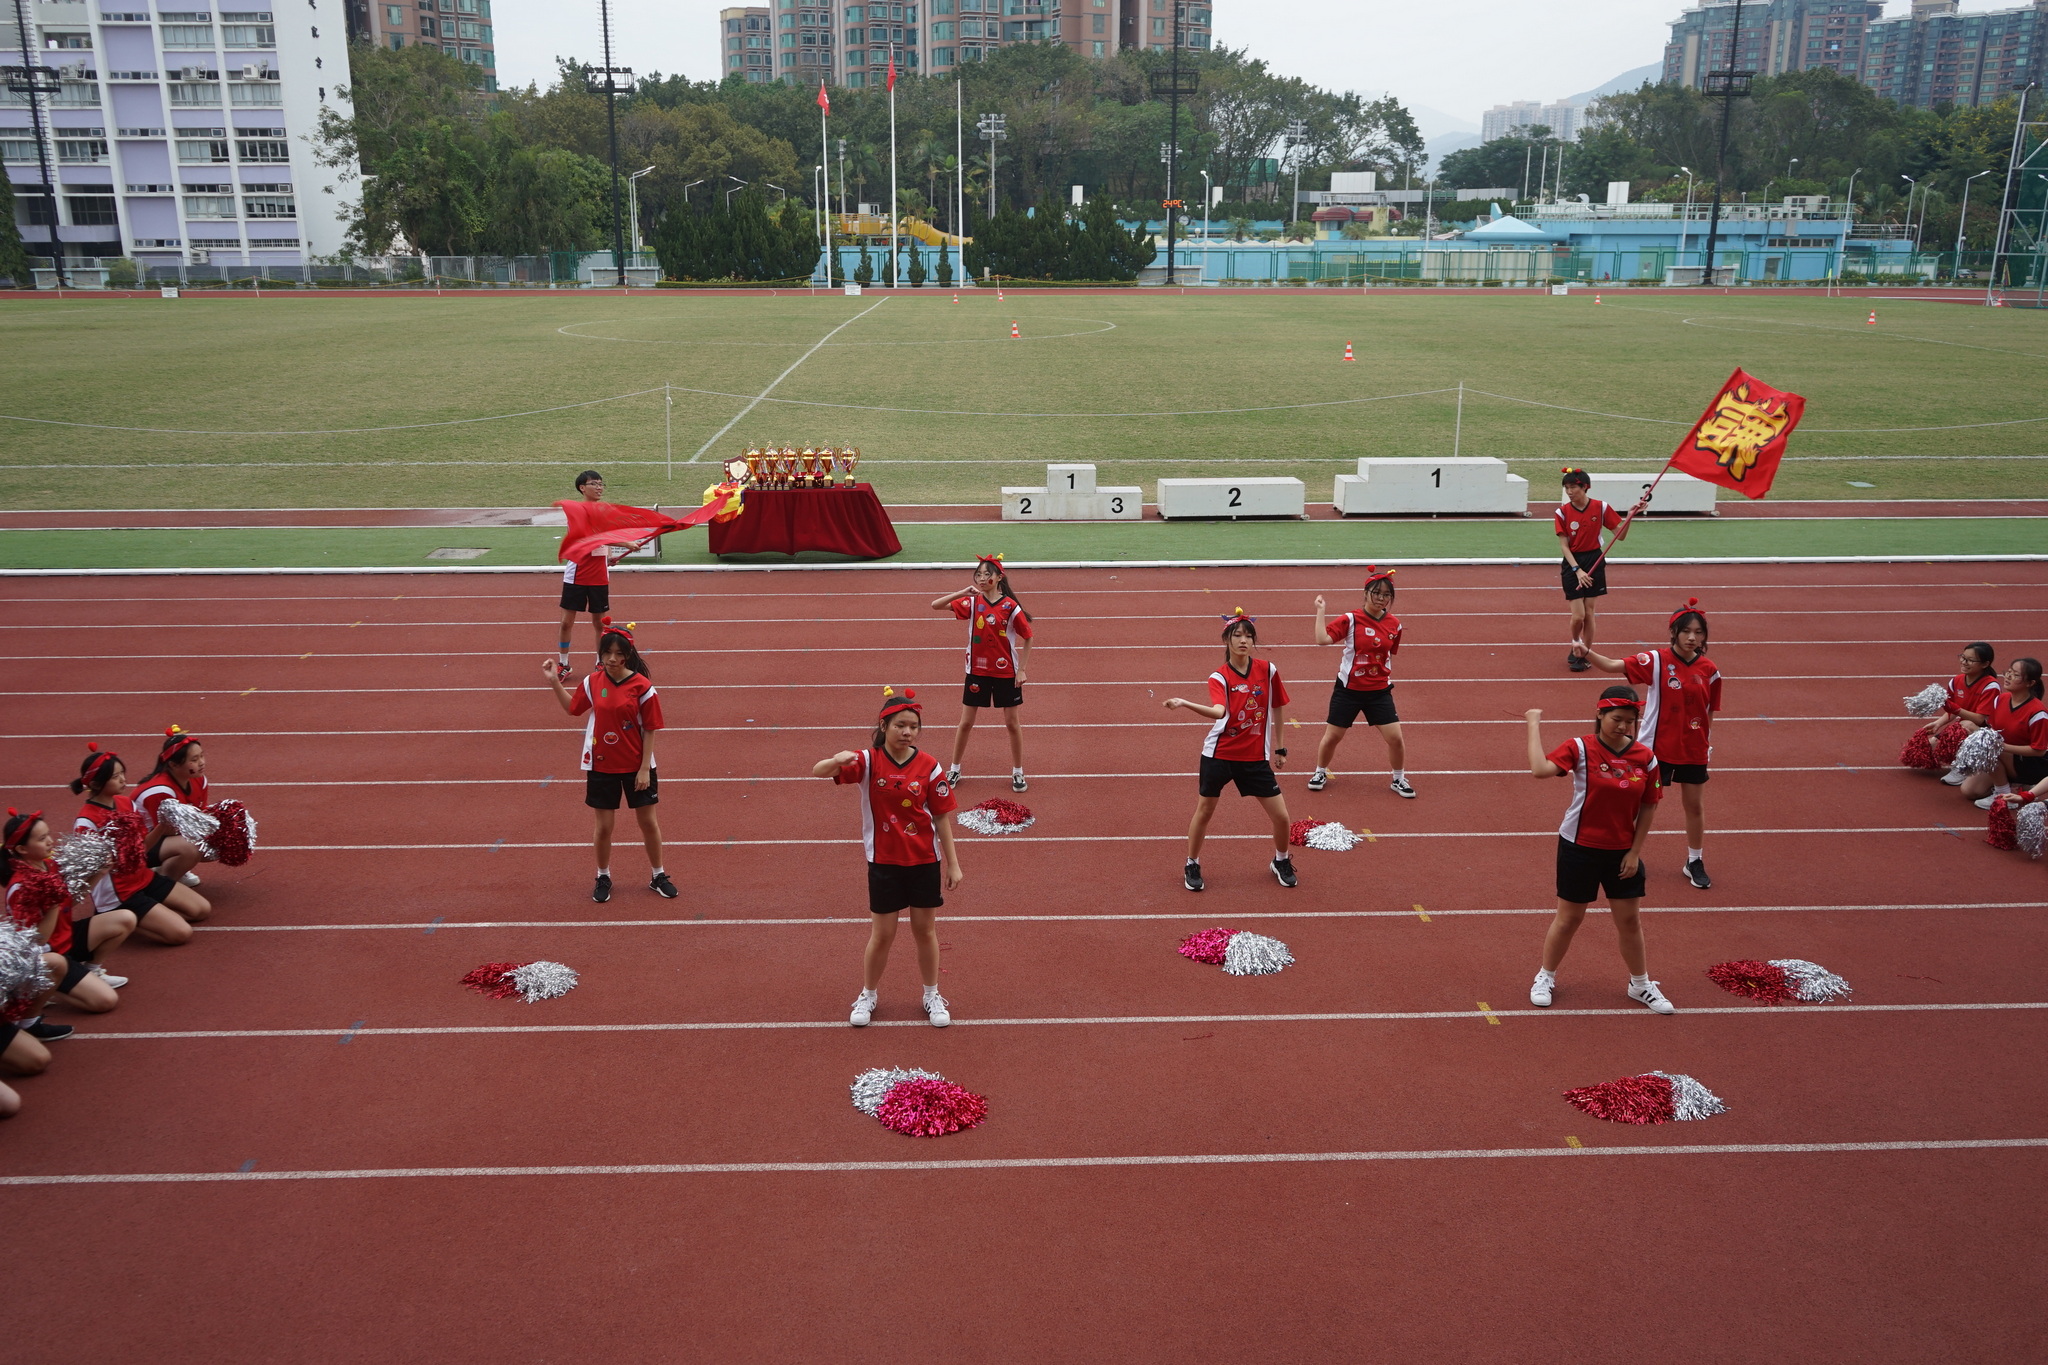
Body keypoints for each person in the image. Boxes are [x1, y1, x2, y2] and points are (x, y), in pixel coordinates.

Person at [813, 688, 963, 1028]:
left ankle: (931, 994)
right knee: (882, 935)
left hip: (924, 861)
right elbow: (817, 771)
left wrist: (953, 864)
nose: (907, 732)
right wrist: (837, 760)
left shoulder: (930, 766)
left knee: (925, 932)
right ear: (884, 726)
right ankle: (868, 994)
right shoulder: (867, 761)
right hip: (883, 863)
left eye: (913, 726)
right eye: (900, 725)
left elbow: (941, 818)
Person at [1525, 686, 1674, 1014]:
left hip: (1622, 851)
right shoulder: (1579, 748)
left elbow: (1649, 805)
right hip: (1579, 847)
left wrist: (1634, 852)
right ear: (1599, 714)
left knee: (1629, 921)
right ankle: (1545, 976)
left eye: (1629, 721)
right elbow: (1539, 770)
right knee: (1569, 919)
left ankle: (1640, 984)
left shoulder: (1646, 758)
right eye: (1616, 719)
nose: (1622, 726)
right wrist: (1533, 724)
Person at [1575, 598, 1722, 890]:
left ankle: (1694, 860)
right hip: (1656, 750)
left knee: (1694, 806)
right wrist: (1587, 652)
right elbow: (1614, 665)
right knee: (1641, 804)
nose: (1692, 638)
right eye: (1686, 631)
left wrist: (1707, 742)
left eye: (1698, 632)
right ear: (1673, 632)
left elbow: (1709, 711)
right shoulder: (1655, 661)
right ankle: (1626, 853)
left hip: (1693, 750)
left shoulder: (1710, 670)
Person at [1164, 609, 1298, 892]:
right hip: (1219, 755)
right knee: (1205, 811)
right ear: (1227, 640)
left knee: (1282, 816)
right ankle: (1192, 863)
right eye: (1237, 635)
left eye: (1248, 636)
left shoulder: (1268, 670)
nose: (1243, 641)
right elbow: (1218, 712)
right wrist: (1185, 703)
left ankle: (1281, 860)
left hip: (1254, 758)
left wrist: (1280, 747)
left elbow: (1278, 706)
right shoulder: (1219, 677)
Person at [544, 618, 676, 903]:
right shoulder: (592, 682)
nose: (612, 659)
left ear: (628, 655)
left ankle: (658, 875)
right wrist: (554, 680)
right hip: (601, 765)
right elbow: (573, 709)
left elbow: (650, 728)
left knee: (648, 823)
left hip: (637, 767)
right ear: (600, 654)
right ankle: (603, 875)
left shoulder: (642, 686)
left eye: (618, 653)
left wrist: (644, 769)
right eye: (607, 653)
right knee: (604, 827)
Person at [72, 748, 206, 941]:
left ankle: (146, 914)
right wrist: (111, 859)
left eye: (122, 773)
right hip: (119, 892)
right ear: (95, 784)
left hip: (142, 877)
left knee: (201, 910)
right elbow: (86, 871)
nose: (122, 780)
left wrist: (162, 826)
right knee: (181, 934)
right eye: (115, 777)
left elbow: (142, 847)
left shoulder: (126, 803)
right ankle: (113, 918)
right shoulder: (86, 821)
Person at [4, 810, 124, 1016]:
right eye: (42, 839)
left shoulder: (49, 865)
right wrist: (53, 906)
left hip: (66, 938)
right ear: (22, 849)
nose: (50, 841)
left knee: (124, 919)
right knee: (105, 1001)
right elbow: (36, 941)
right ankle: (46, 987)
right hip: (49, 953)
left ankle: (91, 971)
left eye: (48, 835)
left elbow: (69, 903)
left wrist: (98, 874)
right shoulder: (21, 887)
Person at [1308, 567, 1414, 798]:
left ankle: (1398, 779)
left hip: (1379, 691)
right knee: (1333, 737)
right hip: (1349, 690)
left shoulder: (1395, 624)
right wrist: (1321, 611)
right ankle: (1320, 772)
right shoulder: (1350, 619)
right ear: (1366, 593)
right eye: (1376, 593)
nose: (1381, 598)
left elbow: (1388, 655)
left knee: (1395, 738)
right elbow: (1322, 639)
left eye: (1386, 595)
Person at [932, 554, 1034, 792]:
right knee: (966, 722)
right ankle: (954, 769)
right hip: (976, 671)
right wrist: (962, 592)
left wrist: (1021, 670)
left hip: (1006, 673)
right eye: (978, 574)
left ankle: (1018, 772)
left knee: (1012, 724)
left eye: (987, 574)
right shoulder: (972, 603)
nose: (981, 578)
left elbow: (1028, 636)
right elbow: (935, 605)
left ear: (999, 577)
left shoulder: (1010, 607)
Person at [1555, 467, 1628, 673]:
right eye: (1567, 488)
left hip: (1594, 560)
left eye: (1573, 487)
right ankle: (1575, 642)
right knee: (1578, 615)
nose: (1569, 492)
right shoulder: (1562, 512)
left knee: (1589, 612)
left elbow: (1620, 536)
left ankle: (1585, 653)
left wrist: (1630, 516)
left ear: (1585, 487)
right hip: (1573, 564)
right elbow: (1564, 546)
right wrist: (1577, 570)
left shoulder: (1601, 507)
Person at [1961, 657, 2047, 810]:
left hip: (2032, 763)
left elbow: (2039, 750)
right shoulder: (2000, 699)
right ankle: (2015, 785)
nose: (2008, 677)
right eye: (2009, 672)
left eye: (2016, 675)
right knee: (1970, 791)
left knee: (1986, 746)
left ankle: (2005, 795)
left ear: (2030, 683)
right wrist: (1973, 729)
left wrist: (2001, 746)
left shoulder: (2038, 712)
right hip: (2006, 756)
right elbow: (1992, 731)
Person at [555, 470, 616, 683]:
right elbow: (591, 537)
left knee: (600, 623)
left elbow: (606, 538)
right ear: (582, 488)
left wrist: (609, 555)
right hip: (577, 574)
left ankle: (600, 662)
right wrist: (626, 543)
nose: (599, 488)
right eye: (594, 484)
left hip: (599, 575)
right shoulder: (576, 511)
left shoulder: (604, 511)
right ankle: (564, 663)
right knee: (566, 622)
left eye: (601, 484)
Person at [131, 727, 211, 888]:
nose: (201, 762)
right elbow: (167, 830)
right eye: (194, 759)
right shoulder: (160, 791)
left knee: (218, 840)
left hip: (161, 839)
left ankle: (171, 870)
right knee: (193, 846)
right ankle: (158, 886)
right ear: (173, 764)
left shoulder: (199, 780)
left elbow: (200, 813)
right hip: (137, 845)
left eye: (201, 756)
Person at [1931, 642, 2000, 787]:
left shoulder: (1990, 686)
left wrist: (1955, 709)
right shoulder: (1956, 681)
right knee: (1929, 747)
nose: (1964, 662)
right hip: (1962, 728)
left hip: (1984, 732)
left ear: (1985, 664)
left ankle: (1963, 767)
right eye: (1962, 657)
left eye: (1970, 660)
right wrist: (1938, 723)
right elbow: (1952, 710)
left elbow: (1979, 719)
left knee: (1966, 724)